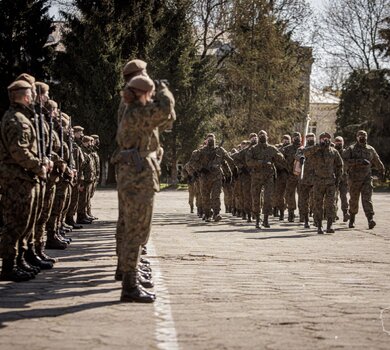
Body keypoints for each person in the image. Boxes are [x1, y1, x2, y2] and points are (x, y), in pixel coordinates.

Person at [114, 75, 175, 303]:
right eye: (149, 93)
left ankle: (131, 280)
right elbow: (165, 109)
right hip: (137, 177)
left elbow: (167, 117)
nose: (152, 98)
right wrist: (164, 89)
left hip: (138, 174)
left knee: (138, 229)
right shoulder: (136, 113)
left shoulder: (136, 111)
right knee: (135, 230)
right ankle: (129, 285)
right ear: (142, 93)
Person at [0, 80, 48, 281]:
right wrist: (39, 165)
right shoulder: (16, 120)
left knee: (25, 222)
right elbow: (18, 151)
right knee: (15, 224)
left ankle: (19, 260)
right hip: (15, 179)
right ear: (24, 96)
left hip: (24, 178)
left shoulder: (23, 117)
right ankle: (8, 266)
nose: (35, 97)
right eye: (31, 93)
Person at [343, 130, 385, 229]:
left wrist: (381, 170)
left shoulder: (370, 149)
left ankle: (370, 220)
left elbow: (377, 160)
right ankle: (352, 219)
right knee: (354, 200)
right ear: (356, 137)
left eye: (364, 136)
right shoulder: (351, 149)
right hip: (354, 179)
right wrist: (359, 161)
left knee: (367, 199)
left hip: (366, 178)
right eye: (360, 136)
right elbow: (344, 161)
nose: (362, 137)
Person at [303, 132, 343, 234]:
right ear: (320, 140)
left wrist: (338, 179)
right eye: (323, 139)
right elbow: (305, 153)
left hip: (330, 182)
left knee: (330, 205)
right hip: (318, 182)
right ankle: (319, 226)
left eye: (327, 138)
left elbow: (340, 165)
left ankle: (329, 225)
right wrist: (317, 146)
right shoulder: (316, 151)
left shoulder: (333, 152)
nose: (326, 140)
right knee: (318, 205)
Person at [245, 130, 286, 228]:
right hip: (256, 177)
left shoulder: (272, 148)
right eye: (260, 135)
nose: (262, 136)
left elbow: (281, 158)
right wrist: (260, 162)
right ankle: (257, 219)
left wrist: (279, 156)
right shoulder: (253, 149)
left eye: (264, 135)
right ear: (258, 137)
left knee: (268, 199)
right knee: (256, 199)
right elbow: (248, 162)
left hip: (268, 177)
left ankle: (266, 219)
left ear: (267, 137)